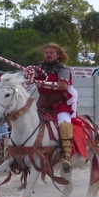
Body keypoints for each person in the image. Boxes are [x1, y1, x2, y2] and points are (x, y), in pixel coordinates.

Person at [24, 42, 75, 172]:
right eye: (46, 52)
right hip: (42, 104)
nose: (48, 55)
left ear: (58, 55)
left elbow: (63, 86)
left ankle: (67, 157)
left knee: (64, 123)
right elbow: (29, 80)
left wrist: (43, 84)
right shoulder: (38, 67)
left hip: (60, 104)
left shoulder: (63, 68)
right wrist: (29, 76)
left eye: (51, 53)